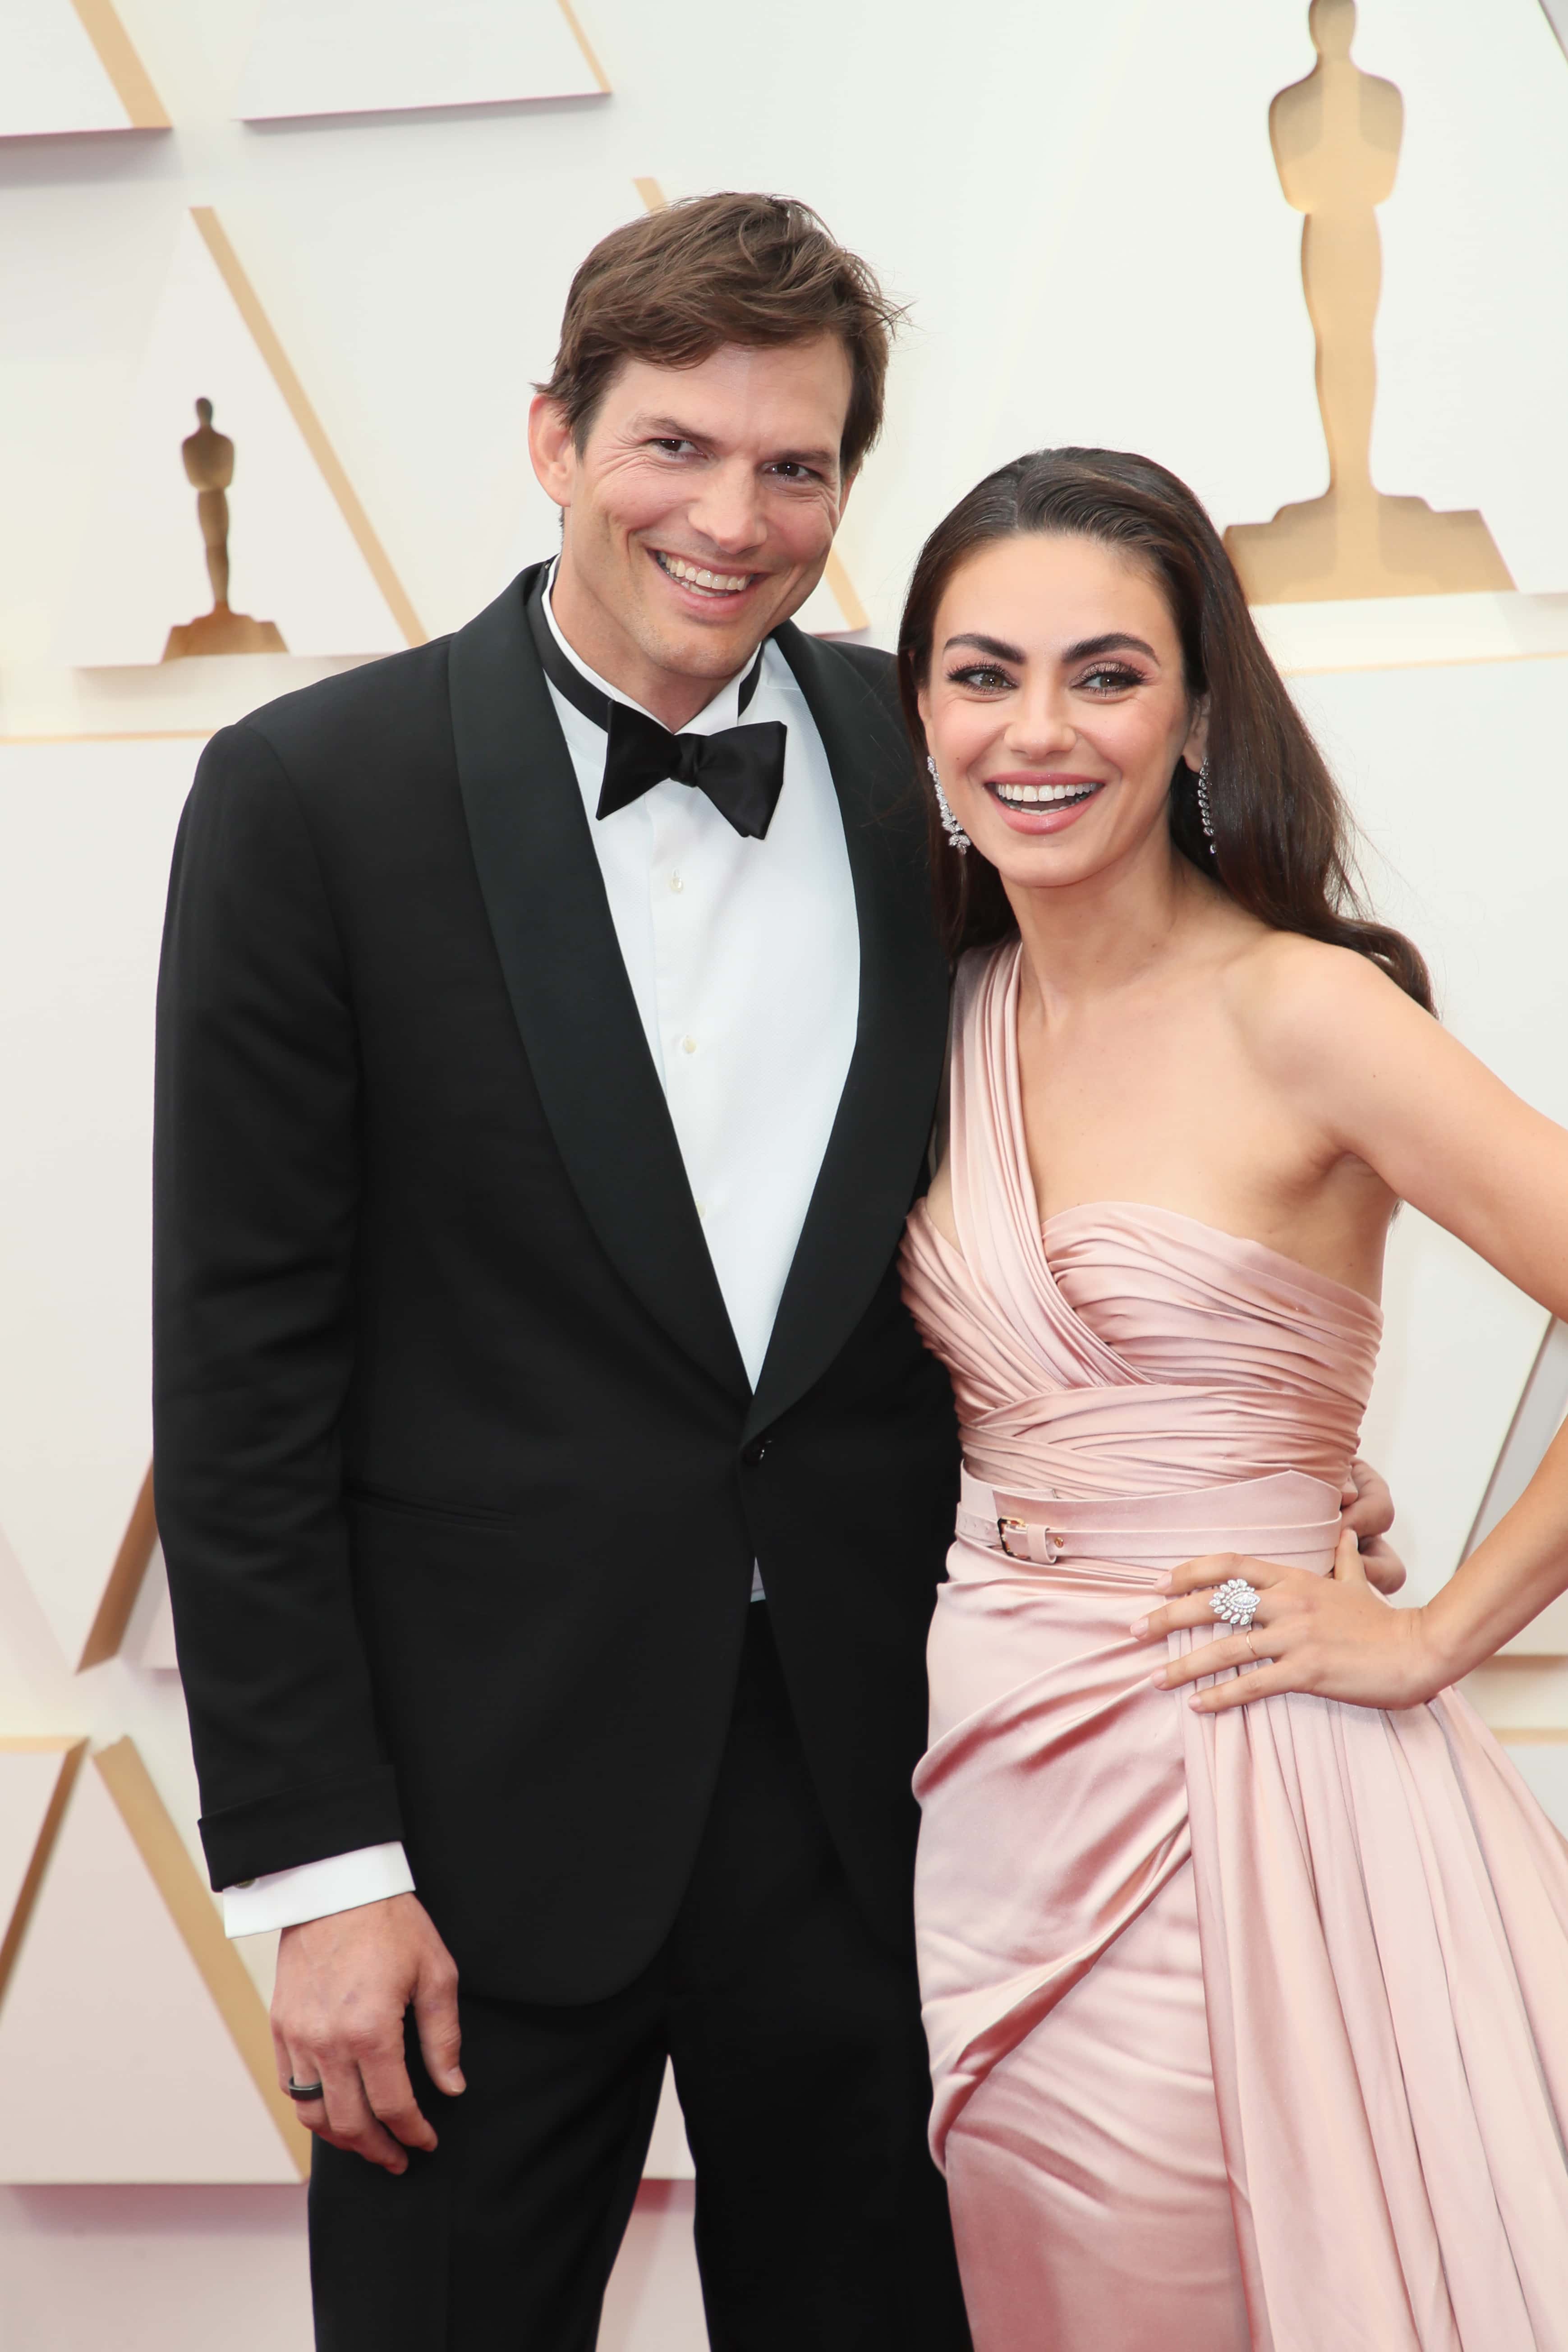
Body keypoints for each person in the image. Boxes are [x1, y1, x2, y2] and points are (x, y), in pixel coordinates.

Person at [152, 194, 1400, 2350]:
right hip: (468, 1823)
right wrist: (321, 1873)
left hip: (897, 1786)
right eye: (674, 448)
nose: (734, 517)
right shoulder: (306, 796)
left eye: (797, 466)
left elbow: (1104, 1114)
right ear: (553, 437)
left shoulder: (945, 755)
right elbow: (239, 1369)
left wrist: (1256, 1453)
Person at [897, 446, 1568, 2351]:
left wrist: (1437, 1628)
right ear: (924, 712)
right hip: (992, 1780)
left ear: (1199, 709)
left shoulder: (1309, 1010)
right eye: (981, 671)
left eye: (1104, 673)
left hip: (1241, 1770)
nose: (1038, 728)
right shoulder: (941, 1014)